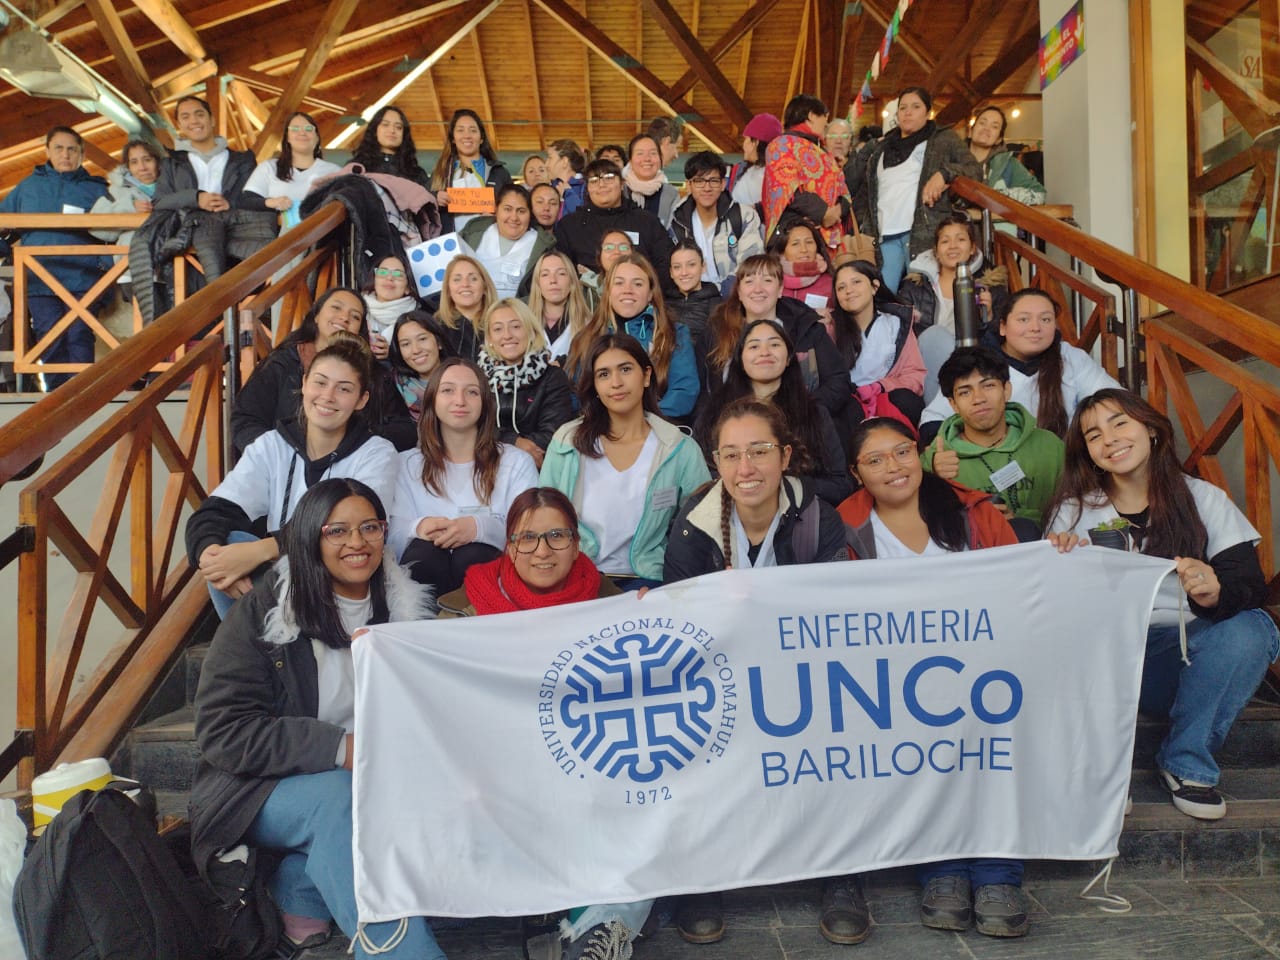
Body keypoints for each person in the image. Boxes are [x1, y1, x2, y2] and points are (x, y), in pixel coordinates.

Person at [190, 477, 443, 960]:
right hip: (255, 788)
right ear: (310, 536)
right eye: (337, 531)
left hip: (375, 773)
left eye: (370, 527)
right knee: (340, 797)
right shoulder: (266, 611)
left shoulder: (405, 610)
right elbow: (223, 731)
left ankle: (299, 889)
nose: (357, 543)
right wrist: (339, 748)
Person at [664, 398, 854, 946]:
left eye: (759, 451)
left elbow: (830, 616)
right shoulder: (692, 527)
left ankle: (842, 873)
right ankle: (701, 878)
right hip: (719, 676)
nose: (745, 468)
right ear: (716, 463)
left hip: (801, 672)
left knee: (838, 736)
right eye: (731, 455)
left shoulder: (819, 516)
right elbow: (683, 626)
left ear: (786, 455)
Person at [1046, 389, 1280, 820]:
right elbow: (1049, 610)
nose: (1109, 439)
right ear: (1089, 454)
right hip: (1108, 660)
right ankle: (1101, 775)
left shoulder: (1203, 498)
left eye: (1120, 423)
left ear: (1151, 429)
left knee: (1255, 628)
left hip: (1185, 658)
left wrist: (1215, 593)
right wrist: (1058, 560)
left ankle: (1187, 764)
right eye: (1094, 435)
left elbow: (1249, 585)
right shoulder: (1074, 512)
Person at [437, 485, 649, 960]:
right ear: (509, 545)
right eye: (526, 539)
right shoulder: (457, 609)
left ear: (577, 543)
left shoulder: (616, 605)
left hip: (589, 765)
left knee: (649, 795)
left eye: (557, 536)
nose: (542, 551)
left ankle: (600, 930)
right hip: (499, 771)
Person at [837, 417, 1026, 938]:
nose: (892, 467)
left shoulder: (973, 511)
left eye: (901, 452)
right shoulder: (844, 527)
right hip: (897, 683)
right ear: (856, 473)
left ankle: (997, 871)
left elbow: (1021, 585)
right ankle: (940, 867)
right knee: (922, 751)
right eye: (875, 460)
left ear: (918, 454)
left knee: (993, 747)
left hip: (984, 671)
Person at [186, 335, 399, 620]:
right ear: (304, 384)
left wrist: (260, 550)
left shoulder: (377, 453)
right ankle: (257, 650)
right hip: (285, 579)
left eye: (344, 389)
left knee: (245, 552)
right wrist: (214, 558)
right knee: (228, 540)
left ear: (361, 400)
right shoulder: (272, 444)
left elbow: (350, 530)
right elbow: (215, 511)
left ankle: (262, 651)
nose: (327, 396)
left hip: (348, 578)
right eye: (320, 382)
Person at [541, 333, 710, 590]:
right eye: (604, 374)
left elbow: (704, 526)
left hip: (650, 583)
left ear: (646, 376)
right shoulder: (567, 441)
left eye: (625, 369)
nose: (616, 382)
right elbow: (543, 519)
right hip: (577, 579)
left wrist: (670, 584)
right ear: (594, 386)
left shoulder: (679, 448)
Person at [390, 358, 538, 593]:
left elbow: (529, 533)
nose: (460, 401)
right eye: (448, 390)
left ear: (484, 403)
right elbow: (392, 535)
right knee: (424, 552)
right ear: (432, 400)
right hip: (423, 596)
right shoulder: (405, 464)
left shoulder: (515, 462)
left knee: (474, 553)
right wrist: (419, 527)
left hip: (494, 597)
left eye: (471, 392)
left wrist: (479, 528)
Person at [130, 96, 277, 323]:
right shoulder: (171, 163)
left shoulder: (243, 160)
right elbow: (160, 202)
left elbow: (255, 198)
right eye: (185, 117)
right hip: (187, 253)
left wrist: (231, 204)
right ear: (179, 125)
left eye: (199, 114)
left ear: (211, 119)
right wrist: (196, 198)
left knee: (240, 311)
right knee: (198, 320)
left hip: (235, 249)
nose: (193, 121)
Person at [231, 287, 417, 455]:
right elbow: (246, 420)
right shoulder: (283, 363)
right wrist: (282, 456)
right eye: (336, 308)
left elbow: (405, 430)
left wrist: (357, 441)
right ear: (316, 315)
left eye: (355, 316)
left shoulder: (374, 374)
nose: (345, 318)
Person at [918, 289, 1122, 439]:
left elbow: (1115, 400)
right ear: (1003, 327)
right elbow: (933, 420)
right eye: (1024, 320)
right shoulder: (976, 362)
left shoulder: (1070, 357)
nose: (1035, 328)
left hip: (1062, 468)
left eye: (1046, 319)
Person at [0, 126, 110, 390]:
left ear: (82, 154)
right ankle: (56, 400)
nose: (65, 154)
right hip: (40, 277)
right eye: (59, 148)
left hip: (84, 276)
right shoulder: (28, 187)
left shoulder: (97, 189)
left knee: (79, 335)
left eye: (72, 149)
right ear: (47, 150)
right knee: (49, 336)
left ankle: (82, 396)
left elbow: (118, 229)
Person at [695, 320, 852, 505]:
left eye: (775, 344)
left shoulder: (814, 413)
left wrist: (779, 486)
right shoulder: (715, 412)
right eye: (754, 346)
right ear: (741, 359)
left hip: (798, 517)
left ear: (788, 359)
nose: (764, 352)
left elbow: (839, 485)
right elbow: (700, 475)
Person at [847, 86, 983, 292]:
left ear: (928, 112)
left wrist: (944, 174)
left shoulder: (943, 139)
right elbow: (856, 185)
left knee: (925, 295)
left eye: (915, 106)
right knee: (884, 297)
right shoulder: (881, 147)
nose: (908, 112)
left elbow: (974, 170)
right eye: (903, 108)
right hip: (883, 236)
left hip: (922, 233)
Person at [921, 346, 1063, 535]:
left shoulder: (1048, 446)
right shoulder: (937, 459)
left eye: (988, 386)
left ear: (1006, 390)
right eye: (965, 392)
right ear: (953, 404)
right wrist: (932, 477)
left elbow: (1077, 509)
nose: (978, 398)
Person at [700, 254, 848, 419]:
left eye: (767, 281)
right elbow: (704, 393)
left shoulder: (806, 326)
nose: (758, 289)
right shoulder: (717, 331)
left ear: (780, 290)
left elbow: (838, 380)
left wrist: (803, 412)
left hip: (801, 422)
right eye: (749, 282)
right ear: (739, 293)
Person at [567, 254, 699, 421]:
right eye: (619, 283)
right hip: (599, 431)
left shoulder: (674, 334)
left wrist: (641, 422)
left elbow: (684, 391)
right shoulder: (585, 338)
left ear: (651, 293)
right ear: (607, 291)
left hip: (658, 428)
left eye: (637, 284)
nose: (627, 290)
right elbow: (574, 395)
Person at [896, 213, 1007, 398]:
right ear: (936, 251)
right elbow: (901, 335)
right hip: (926, 363)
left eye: (961, 239)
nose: (953, 246)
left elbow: (1002, 340)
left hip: (973, 363)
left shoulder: (990, 287)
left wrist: (986, 317)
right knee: (935, 335)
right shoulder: (914, 286)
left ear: (972, 248)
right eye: (945, 241)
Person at [477, 298, 574, 467]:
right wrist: (514, 441)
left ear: (531, 331)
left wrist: (494, 443)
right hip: (483, 468)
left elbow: (552, 435)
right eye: (498, 329)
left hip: (535, 469)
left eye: (516, 326)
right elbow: (470, 430)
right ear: (490, 338)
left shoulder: (553, 377)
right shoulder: (476, 378)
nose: (507, 335)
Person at [830, 257, 925, 428]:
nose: (849, 291)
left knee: (907, 401)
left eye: (856, 282)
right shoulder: (829, 328)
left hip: (885, 396)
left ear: (874, 286)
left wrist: (880, 387)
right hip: (847, 402)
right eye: (841, 287)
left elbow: (914, 375)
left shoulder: (896, 324)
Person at [553, 157, 674, 282]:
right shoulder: (570, 226)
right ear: (587, 188)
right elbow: (562, 272)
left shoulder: (646, 222)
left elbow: (665, 264)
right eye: (594, 181)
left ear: (622, 184)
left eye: (609, 178)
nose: (601, 185)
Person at [761, 94, 852, 249]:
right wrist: (824, 213)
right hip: (793, 238)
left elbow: (843, 189)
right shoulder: (781, 145)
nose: (826, 123)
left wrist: (838, 211)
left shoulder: (823, 151)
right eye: (824, 117)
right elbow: (787, 189)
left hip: (828, 242)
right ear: (811, 116)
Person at [670, 150, 765, 292]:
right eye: (699, 181)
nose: (707, 188)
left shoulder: (744, 216)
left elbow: (752, 264)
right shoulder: (676, 221)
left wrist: (719, 291)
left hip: (734, 298)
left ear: (723, 184)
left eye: (713, 181)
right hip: (692, 300)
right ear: (689, 185)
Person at [240, 112, 342, 230]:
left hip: (322, 236)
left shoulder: (334, 171)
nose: (302, 132)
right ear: (287, 138)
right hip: (278, 239)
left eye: (309, 128)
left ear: (317, 138)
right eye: (295, 129)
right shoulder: (269, 167)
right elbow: (245, 201)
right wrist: (272, 203)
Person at [89, 138, 162, 299]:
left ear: (158, 162)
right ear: (128, 167)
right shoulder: (116, 191)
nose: (142, 167)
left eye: (147, 160)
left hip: (173, 267)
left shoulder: (174, 185)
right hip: (131, 269)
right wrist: (128, 207)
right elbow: (97, 229)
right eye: (134, 162)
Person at [458, 183, 554, 298]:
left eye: (521, 211)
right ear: (496, 209)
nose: (514, 217)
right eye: (507, 209)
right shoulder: (473, 232)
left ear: (530, 214)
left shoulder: (542, 245)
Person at [430, 109, 511, 231]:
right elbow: (421, 204)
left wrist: (498, 212)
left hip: (490, 241)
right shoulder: (440, 173)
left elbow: (514, 206)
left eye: (473, 130)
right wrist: (434, 198)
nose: (467, 136)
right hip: (452, 245)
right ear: (453, 138)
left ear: (481, 138)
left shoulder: (499, 173)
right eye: (460, 130)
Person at [967, 106, 1046, 206]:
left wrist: (996, 196)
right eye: (982, 123)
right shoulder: (950, 161)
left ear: (999, 139)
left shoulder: (1009, 165)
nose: (987, 128)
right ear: (970, 132)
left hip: (993, 220)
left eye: (994, 126)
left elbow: (1040, 194)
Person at [387, 310, 456, 421]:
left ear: (439, 342)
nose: (416, 350)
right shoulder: (392, 386)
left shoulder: (465, 376)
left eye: (422, 339)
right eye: (406, 344)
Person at [768, 216, 833, 327]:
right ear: (782, 251)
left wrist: (832, 321)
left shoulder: (831, 282)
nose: (804, 249)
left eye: (809, 242)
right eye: (795, 244)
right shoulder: (770, 282)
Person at [528, 249, 592, 361]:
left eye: (561, 273)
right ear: (538, 283)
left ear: (572, 281)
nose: (553, 280)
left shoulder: (589, 326)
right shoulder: (522, 323)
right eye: (545, 274)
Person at [434, 254, 498, 360]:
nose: (465, 284)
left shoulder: (501, 323)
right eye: (457, 279)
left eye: (473, 279)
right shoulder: (435, 327)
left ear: (485, 287)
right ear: (448, 289)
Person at [350, 105, 430, 188]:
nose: (392, 130)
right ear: (374, 130)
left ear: (404, 134)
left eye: (398, 127)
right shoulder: (356, 167)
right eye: (385, 124)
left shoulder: (417, 173)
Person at [361, 254, 420, 361]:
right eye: (382, 272)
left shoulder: (419, 319)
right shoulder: (359, 310)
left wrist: (393, 354)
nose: (389, 278)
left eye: (398, 274)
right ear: (374, 280)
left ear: (408, 287)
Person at [666, 240, 722, 341]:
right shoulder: (662, 304)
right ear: (671, 272)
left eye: (691, 265)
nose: (684, 272)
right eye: (677, 267)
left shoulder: (718, 306)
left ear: (703, 267)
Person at [622, 133, 679, 228]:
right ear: (630, 161)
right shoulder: (619, 191)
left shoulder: (671, 194)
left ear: (660, 159)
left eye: (653, 153)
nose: (647, 158)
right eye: (640, 153)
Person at [728, 113, 782, 212]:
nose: (743, 144)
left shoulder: (754, 177)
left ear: (755, 142)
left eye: (746, 139)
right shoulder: (778, 174)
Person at [546, 139, 588, 217]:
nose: (546, 164)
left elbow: (584, 218)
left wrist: (568, 195)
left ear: (564, 161)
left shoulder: (586, 188)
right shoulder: (550, 188)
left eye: (550, 158)